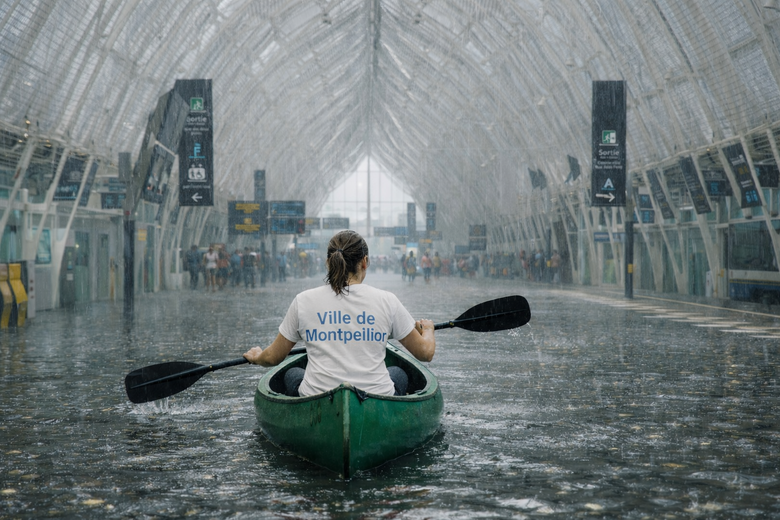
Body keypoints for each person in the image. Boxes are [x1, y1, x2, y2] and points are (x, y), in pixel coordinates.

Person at [243, 230, 435, 397]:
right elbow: (425, 353)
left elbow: (272, 358)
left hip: (317, 395)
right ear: (365, 262)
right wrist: (427, 330)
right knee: (398, 373)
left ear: (328, 262)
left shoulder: (303, 301)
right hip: (376, 395)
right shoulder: (387, 301)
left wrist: (257, 356)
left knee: (291, 373)